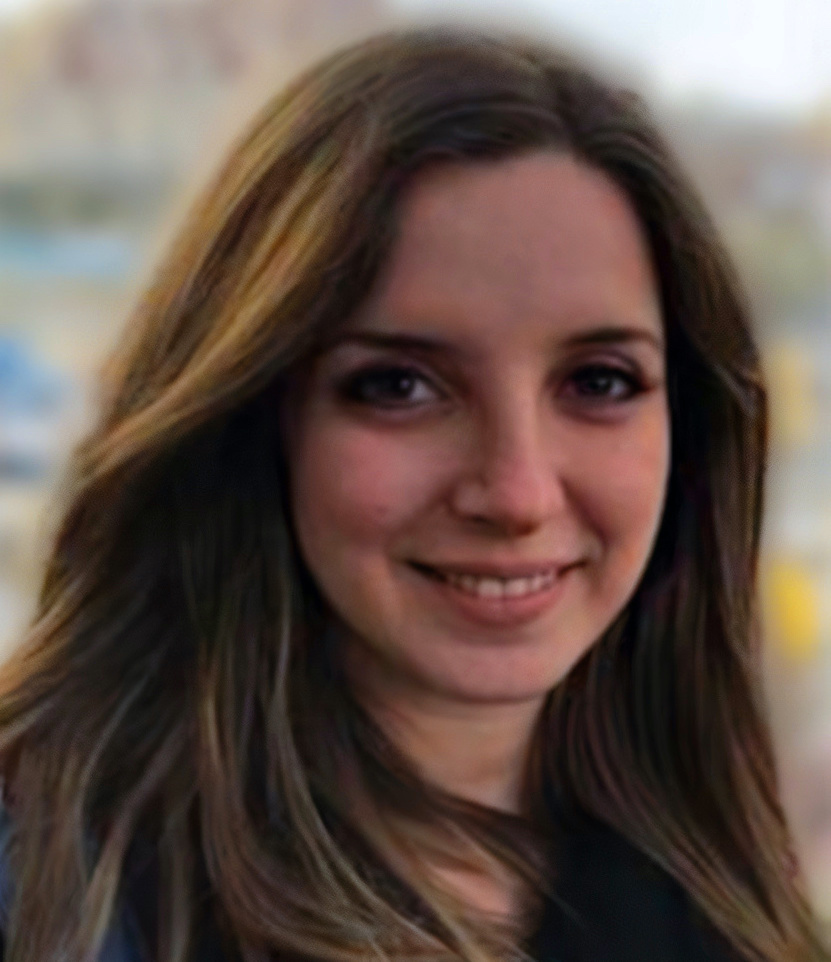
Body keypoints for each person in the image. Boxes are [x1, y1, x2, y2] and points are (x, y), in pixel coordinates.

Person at [0, 23, 825, 962]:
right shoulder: (48, 898)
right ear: (252, 413)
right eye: (399, 386)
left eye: (598, 382)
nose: (516, 492)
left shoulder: (711, 885)